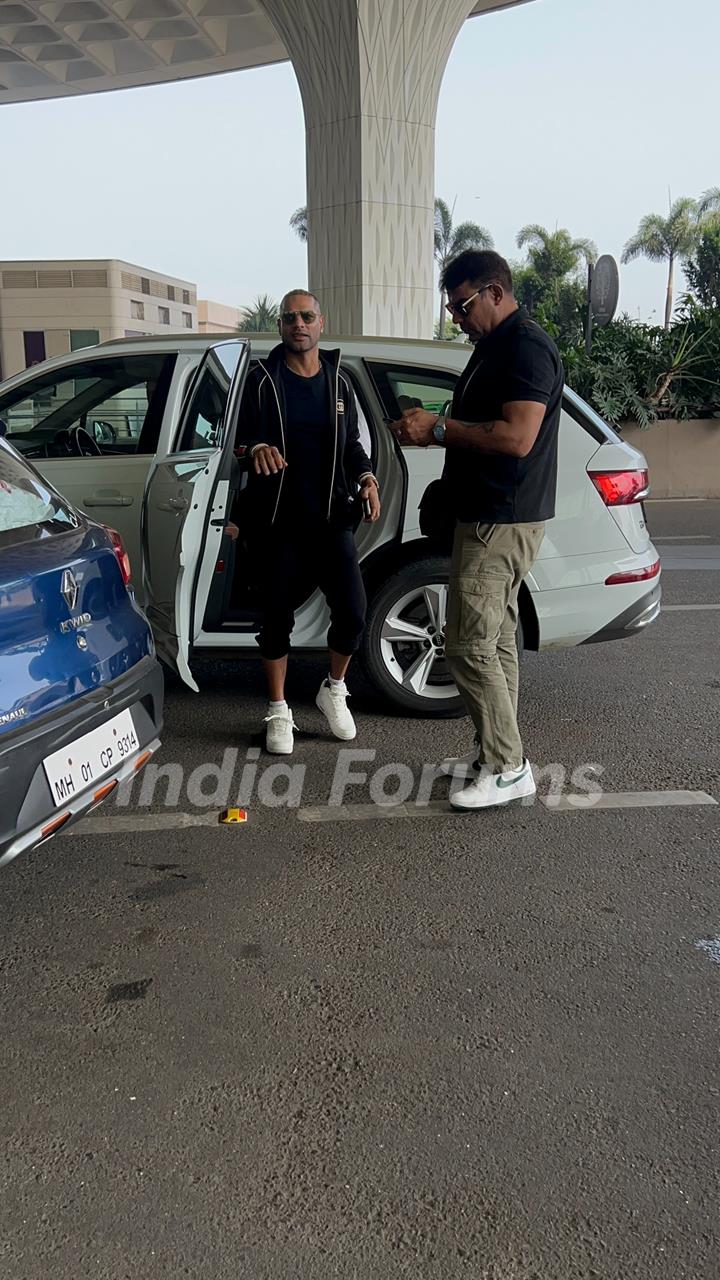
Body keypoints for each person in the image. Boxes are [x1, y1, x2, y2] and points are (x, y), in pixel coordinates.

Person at [389, 250, 563, 811]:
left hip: (502, 517)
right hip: (486, 513)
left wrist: (438, 428)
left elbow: (516, 438)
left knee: (466, 645)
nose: (457, 318)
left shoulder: (525, 346)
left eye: (462, 306)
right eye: (451, 308)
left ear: (494, 291)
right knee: (495, 639)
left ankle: (509, 767)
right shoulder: (494, 346)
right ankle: (498, 754)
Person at [236, 289, 380, 754]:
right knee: (276, 617)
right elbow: (237, 442)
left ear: (321, 323)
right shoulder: (260, 380)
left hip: (331, 519)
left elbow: (354, 446)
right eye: (290, 317)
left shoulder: (340, 383)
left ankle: (333, 688)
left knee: (354, 612)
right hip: (277, 521)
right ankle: (279, 710)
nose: (298, 324)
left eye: (307, 316)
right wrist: (254, 449)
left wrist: (366, 478)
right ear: (281, 326)